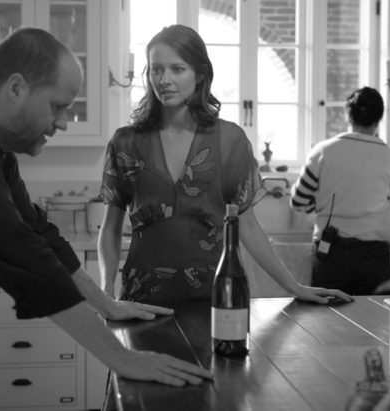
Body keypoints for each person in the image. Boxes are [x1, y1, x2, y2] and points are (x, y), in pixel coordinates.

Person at [0, 28, 212, 411]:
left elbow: (39, 233)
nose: (63, 122)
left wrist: (105, 304)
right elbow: (24, 256)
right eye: (57, 106)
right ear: (17, 88)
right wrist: (122, 359)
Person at [98, 24, 352, 305]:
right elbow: (110, 228)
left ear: (200, 74)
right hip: (140, 300)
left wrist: (294, 287)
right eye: (156, 69)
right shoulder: (126, 143)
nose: (164, 80)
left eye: (177, 69)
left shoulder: (229, 140)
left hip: (214, 300)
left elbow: (248, 225)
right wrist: (106, 292)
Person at [290, 87, 390, 296]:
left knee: (327, 315)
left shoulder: (322, 152)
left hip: (330, 253)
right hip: (376, 256)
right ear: (378, 119)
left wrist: (321, 202)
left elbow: (298, 202)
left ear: (347, 115)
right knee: (375, 316)